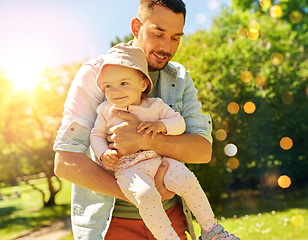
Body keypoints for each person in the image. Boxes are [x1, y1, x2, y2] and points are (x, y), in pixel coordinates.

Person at [53, 0, 215, 239]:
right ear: (136, 26)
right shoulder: (95, 74)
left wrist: (144, 140)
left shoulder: (179, 78)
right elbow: (65, 162)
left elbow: (202, 150)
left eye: (175, 37)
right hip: (112, 226)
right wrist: (144, 195)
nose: (166, 47)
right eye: (158, 33)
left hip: (173, 217)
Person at [90, 43, 240, 240]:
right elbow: (96, 135)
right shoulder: (105, 110)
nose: (115, 91)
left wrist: (161, 125)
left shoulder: (155, 106)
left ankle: (210, 229)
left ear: (143, 84)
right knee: (145, 195)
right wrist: (103, 152)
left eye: (123, 83)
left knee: (187, 179)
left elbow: (179, 123)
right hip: (128, 170)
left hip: (159, 161)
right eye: (108, 86)